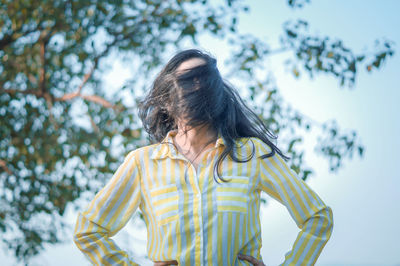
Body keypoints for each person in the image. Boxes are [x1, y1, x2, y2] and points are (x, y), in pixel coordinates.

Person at [73, 49, 333, 266]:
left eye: (204, 80)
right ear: (168, 96)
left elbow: (317, 217)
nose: (197, 87)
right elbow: (89, 231)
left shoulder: (252, 154)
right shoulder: (142, 164)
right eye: (187, 80)